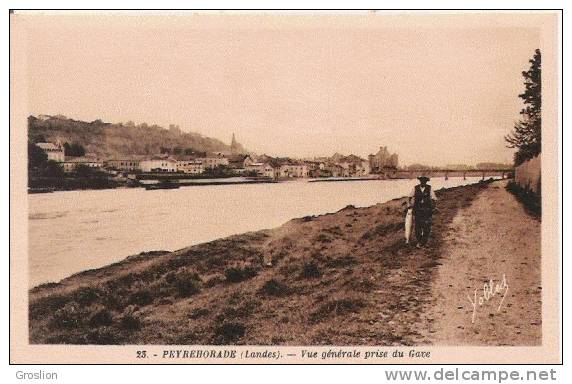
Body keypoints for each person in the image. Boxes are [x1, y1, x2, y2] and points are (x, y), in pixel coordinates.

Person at [409, 176, 437, 248]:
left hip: (427, 210)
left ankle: (424, 241)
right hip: (417, 210)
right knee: (417, 226)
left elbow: (434, 198)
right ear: (420, 181)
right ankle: (419, 240)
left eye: (424, 181)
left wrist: (433, 207)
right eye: (421, 181)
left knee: (426, 226)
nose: (423, 182)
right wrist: (410, 204)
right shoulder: (415, 188)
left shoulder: (429, 188)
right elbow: (410, 197)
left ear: (426, 182)